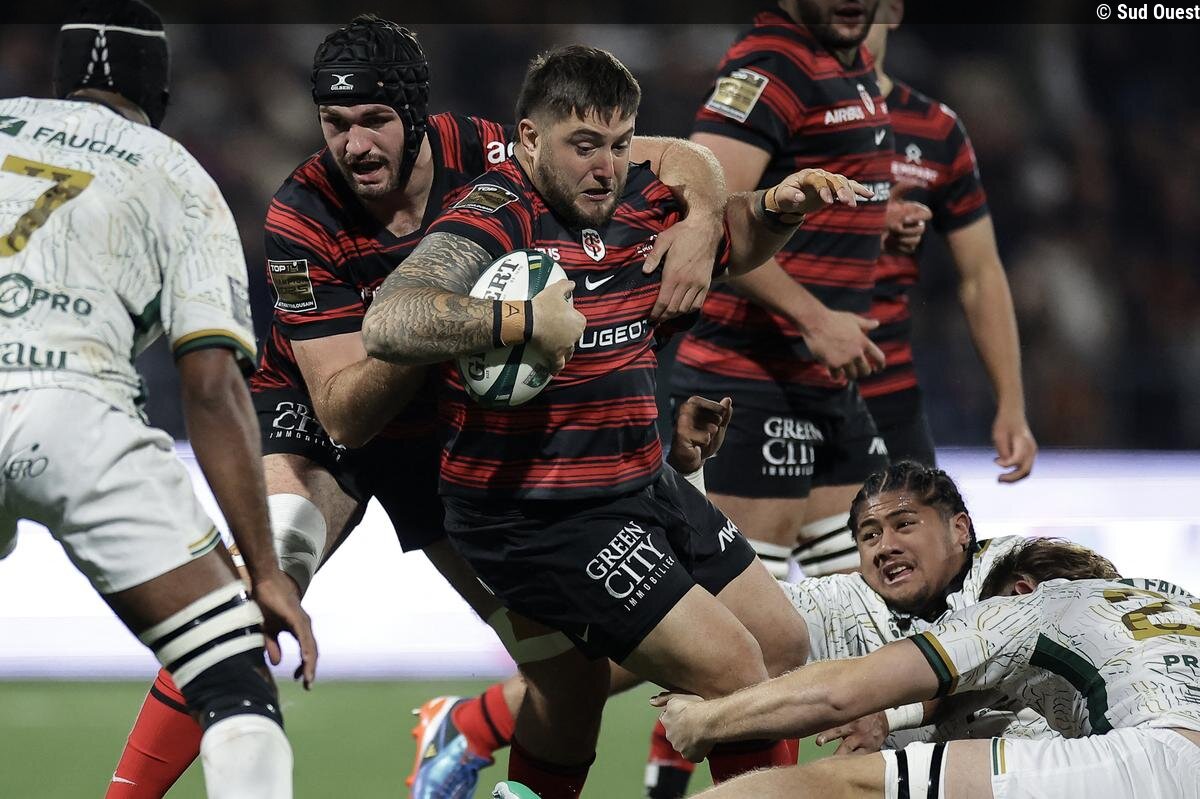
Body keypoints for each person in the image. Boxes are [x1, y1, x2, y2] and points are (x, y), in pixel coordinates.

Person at [104, 16, 740, 799]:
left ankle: (465, 731)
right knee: (250, 601)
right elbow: (346, 414)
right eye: (335, 123)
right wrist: (451, 323)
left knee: (568, 676)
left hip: (441, 440)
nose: (353, 145)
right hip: (320, 417)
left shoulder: (488, 151)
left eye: (374, 120)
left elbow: (673, 156)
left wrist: (703, 218)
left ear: (416, 115)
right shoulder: (301, 212)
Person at [361, 44, 874, 799]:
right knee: (734, 671)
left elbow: (735, 241)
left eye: (620, 143)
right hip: (538, 515)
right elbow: (390, 321)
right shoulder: (494, 215)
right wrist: (518, 320)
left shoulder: (636, 201)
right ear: (529, 139)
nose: (606, 166)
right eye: (584, 145)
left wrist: (778, 209)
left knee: (780, 642)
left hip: (641, 483)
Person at [0, 2, 317, 797]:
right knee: (233, 680)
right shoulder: (176, 171)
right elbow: (211, 385)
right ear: (162, 93)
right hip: (76, 416)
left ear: (58, 80)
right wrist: (266, 570)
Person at [424, 460, 1046, 799]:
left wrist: (890, 714)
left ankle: (472, 724)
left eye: (905, 525)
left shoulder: (1015, 574)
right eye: (869, 535)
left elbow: (976, 666)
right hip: (939, 776)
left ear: (960, 528)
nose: (885, 546)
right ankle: (473, 722)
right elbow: (696, 614)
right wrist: (692, 479)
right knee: (695, 648)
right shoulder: (845, 604)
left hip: (1033, 768)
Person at [656, 537, 1200, 799]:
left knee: (843, 786)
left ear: (1019, 588)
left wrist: (704, 721)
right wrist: (893, 720)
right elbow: (989, 699)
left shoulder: (1029, 608)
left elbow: (840, 692)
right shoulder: (1175, 605)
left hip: (1161, 758)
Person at [669, 0, 899, 584]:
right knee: (742, 622)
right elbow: (703, 217)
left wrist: (878, 214)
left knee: (877, 609)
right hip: (748, 383)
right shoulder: (772, 64)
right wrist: (815, 318)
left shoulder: (846, 60)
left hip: (821, 385)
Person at [858, 4, 1038, 476]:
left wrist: (1011, 403)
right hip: (786, 381)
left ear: (893, 11)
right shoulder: (784, 113)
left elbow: (981, 274)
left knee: (919, 523)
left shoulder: (936, 129)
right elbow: (740, 230)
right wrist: (864, 222)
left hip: (889, 389)